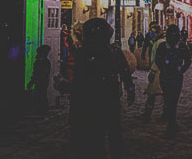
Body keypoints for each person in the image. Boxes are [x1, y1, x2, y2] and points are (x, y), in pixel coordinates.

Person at [56, 18, 135, 159]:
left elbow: (81, 84)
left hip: (90, 102)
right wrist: (130, 89)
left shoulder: (83, 54)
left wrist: (64, 86)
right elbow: (125, 72)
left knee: (95, 138)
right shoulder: (113, 51)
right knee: (113, 134)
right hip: (109, 99)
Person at [155, 24, 192, 137]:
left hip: (174, 76)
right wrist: (165, 69)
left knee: (172, 99)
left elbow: (188, 60)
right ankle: (171, 121)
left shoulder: (180, 46)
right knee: (170, 99)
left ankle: (171, 121)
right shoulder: (165, 46)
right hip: (169, 77)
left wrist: (180, 71)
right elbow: (158, 60)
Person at [141, 27, 166, 121]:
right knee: (160, 93)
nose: (152, 35)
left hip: (158, 70)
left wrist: (153, 70)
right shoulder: (158, 42)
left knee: (152, 92)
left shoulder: (160, 43)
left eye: (154, 33)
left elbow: (159, 58)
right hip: (158, 69)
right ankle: (165, 113)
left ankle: (148, 114)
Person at [28, 44, 51, 116]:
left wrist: (32, 81)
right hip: (42, 81)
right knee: (41, 95)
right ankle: (42, 110)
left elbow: (37, 73)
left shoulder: (42, 62)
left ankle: (41, 110)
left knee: (40, 95)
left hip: (41, 81)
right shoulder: (45, 62)